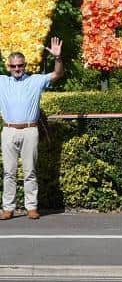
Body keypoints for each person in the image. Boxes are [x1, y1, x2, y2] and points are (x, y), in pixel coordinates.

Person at [0, 37, 64, 220]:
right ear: (8, 67)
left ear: (25, 65)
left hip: (30, 130)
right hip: (9, 130)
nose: (17, 69)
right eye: (13, 66)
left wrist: (58, 59)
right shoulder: (2, 82)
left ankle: (31, 207)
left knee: (30, 171)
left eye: (20, 66)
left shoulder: (35, 81)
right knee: (9, 172)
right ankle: (8, 208)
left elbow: (57, 74)